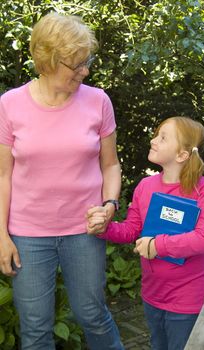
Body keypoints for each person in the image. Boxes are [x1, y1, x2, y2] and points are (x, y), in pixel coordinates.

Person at [0, 12, 124, 350]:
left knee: (92, 316)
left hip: (84, 230)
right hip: (27, 234)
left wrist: (110, 205)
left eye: (87, 62)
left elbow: (111, 165)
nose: (85, 70)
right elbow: (3, 175)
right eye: (77, 64)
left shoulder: (98, 101)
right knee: (36, 330)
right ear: (48, 60)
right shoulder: (10, 105)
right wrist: (1, 236)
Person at [87, 116, 204, 350]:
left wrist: (159, 246)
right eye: (157, 134)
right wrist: (104, 227)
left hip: (187, 301)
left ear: (182, 155)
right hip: (152, 295)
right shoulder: (145, 187)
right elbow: (131, 230)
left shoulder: (203, 189)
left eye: (163, 137)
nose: (153, 140)